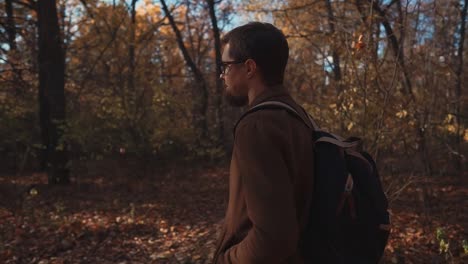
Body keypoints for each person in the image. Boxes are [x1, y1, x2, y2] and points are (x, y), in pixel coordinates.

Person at [212, 22, 315, 264]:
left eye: (226, 66)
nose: (222, 75)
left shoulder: (257, 126)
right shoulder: (298, 117)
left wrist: (226, 260)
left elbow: (274, 238)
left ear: (249, 68)